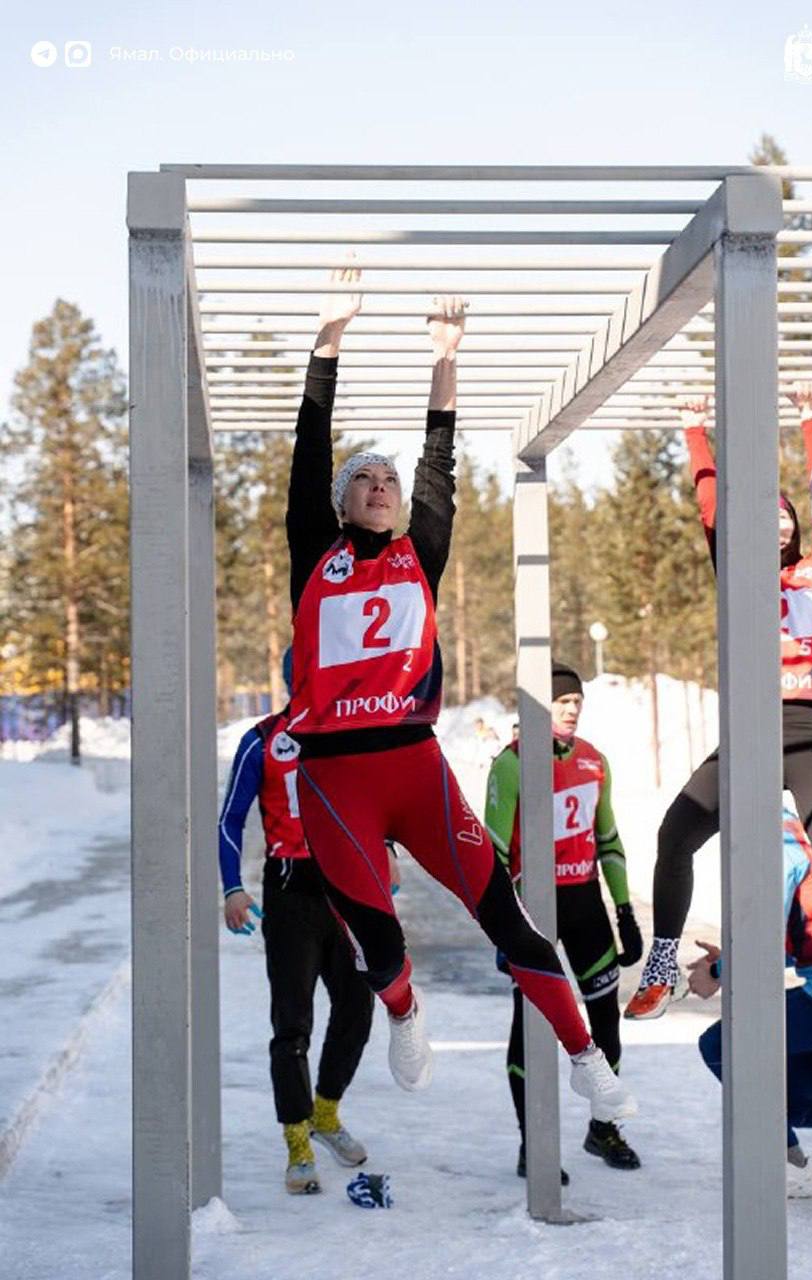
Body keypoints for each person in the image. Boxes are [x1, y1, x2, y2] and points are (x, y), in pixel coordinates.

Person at [285, 265, 635, 1129]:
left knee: (509, 921)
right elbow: (310, 439)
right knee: (379, 943)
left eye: (388, 480)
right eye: (364, 478)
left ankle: (585, 1059)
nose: (380, 485)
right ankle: (405, 1011)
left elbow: (439, 457)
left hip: (415, 766)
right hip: (334, 779)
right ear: (340, 501)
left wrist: (446, 356)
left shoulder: (421, 553)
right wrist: (330, 335)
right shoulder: (315, 553)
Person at [626, 383, 812, 1047]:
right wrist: (694, 430)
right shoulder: (739, 574)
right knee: (676, 833)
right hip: (751, 731)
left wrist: (811, 417)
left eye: (784, 516)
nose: (777, 524)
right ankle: (662, 963)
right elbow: (711, 505)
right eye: (765, 516)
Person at [219, 650, 374, 1195]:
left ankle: (325, 1114)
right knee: (292, 1024)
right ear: (291, 680)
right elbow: (231, 818)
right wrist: (232, 887)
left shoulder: (351, 734)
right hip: (290, 894)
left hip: (346, 891)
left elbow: (374, 803)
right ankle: (297, 1145)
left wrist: (387, 852)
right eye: (306, 676)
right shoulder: (262, 739)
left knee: (357, 1008)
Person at [486, 664, 643, 1177]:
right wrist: (501, 924)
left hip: (585, 906)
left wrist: (624, 910)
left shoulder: (594, 760)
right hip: (533, 911)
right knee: (531, 1025)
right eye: (561, 702)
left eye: (577, 701)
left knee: (605, 1021)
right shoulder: (511, 764)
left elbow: (608, 839)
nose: (572, 709)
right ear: (539, 707)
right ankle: (532, 1143)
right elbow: (494, 854)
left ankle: (604, 1127)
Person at [688, 807, 812, 1197]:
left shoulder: (773, 844)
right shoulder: (799, 831)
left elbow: (764, 947)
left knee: (719, 1046)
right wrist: (728, 961)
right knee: (790, 1105)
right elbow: (803, 939)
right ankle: (793, 1162)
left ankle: (791, 1167)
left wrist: (718, 971)